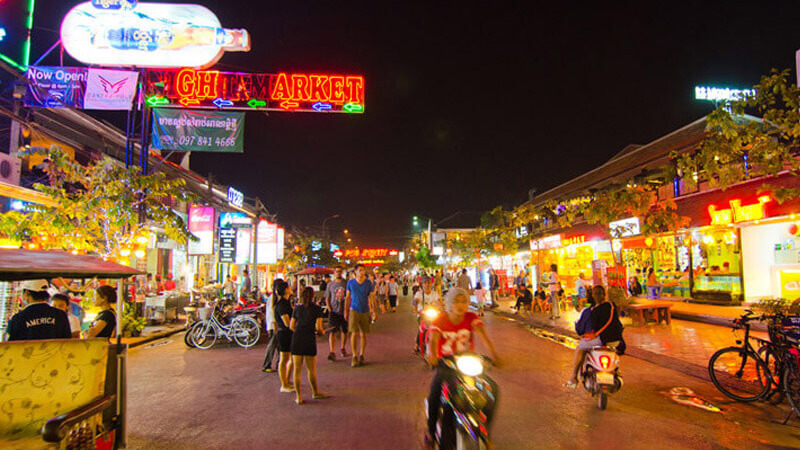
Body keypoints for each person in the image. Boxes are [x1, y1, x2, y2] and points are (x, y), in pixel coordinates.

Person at [424, 288, 499, 448]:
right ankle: (431, 433)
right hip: (446, 364)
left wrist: (493, 355)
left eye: (463, 301)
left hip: (468, 362)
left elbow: (483, 336)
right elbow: (433, 340)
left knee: (492, 389)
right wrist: (432, 356)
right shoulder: (440, 320)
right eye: (456, 301)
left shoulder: (472, 317)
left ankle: (485, 431)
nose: (460, 305)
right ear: (449, 304)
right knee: (435, 395)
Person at [564, 285, 624, 389]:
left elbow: (581, 329)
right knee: (614, 352)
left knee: (580, 348)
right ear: (604, 295)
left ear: (593, 296)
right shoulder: (612, 306)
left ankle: (573, 378)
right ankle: (617, 371)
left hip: (601, 340)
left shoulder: (591, 311)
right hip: (616, 340)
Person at [289, 287, 328, 405]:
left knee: (297, 370)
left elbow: (291, 326)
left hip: (297, 338)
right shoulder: (317, 309)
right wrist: (322, 332)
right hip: (309, 339)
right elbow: (319, 328)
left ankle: (298, 396)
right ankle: (315, 392)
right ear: (312, 296)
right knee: (311, 370)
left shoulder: (297, 309)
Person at [5, 279, 71, 341]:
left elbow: (11, 346)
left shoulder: (18, 318)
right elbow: (67, 341)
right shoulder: (60, 315)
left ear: (27, 293)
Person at [344, 264, 375, 367]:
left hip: (365, 310)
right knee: (354, 333)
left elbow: (371, 297)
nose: (362, 272)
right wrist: (345, 311)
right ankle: (354, 355)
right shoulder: (350, 283)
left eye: (363, 270)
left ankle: (361, 354)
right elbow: (347, 297)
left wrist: (373, 310)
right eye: (360, 270)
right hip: (354, 309)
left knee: (363, 334)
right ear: (355, 272)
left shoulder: (368, 283)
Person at [324, 266, 349, 361]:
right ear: (334, 273)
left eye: (340, 271)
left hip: (344, 311)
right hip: (333, 311)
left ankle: (342, 348)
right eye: (337, 271)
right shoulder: (330, 284)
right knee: (332, 331)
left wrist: (347, 310)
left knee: (344, 331)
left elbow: (349, 296)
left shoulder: (346, 283)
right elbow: (327, 298)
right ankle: (332, 351)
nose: (338, 273)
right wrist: (330, 309)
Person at [274, 282, 295, 392]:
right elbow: (287, 322)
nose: (291, 288)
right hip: (284, 333)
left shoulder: (286, 302)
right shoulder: (282, 304)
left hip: (288, 333)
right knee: (284, 359)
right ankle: (284, 384)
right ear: (286, 290)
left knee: (291, 358)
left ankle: (287, 380)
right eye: (289, 287)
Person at [262, 279, 283, 373]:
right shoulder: (272, 299)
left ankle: (280, 364)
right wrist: (275, 325)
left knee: (279, 346)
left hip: (274, 325)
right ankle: (267, 365)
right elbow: (272, 314)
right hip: (273, 325)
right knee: (273, 345)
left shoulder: (275, 298)